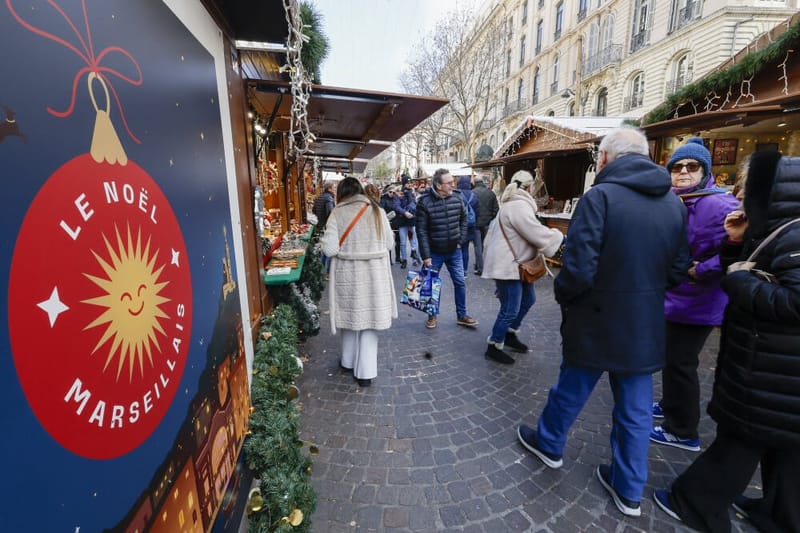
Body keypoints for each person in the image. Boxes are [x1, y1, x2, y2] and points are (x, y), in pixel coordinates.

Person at [516, 126, 689, 517]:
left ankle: (549, 443)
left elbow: (578, 269)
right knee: (635, 409)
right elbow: (679, 269)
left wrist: (566, 297)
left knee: (572, 387)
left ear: (606, 158)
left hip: (596, 316)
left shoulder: (600, 197)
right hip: (643, 322)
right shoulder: (673, 203)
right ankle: (629, 487)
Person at [653, 151, 800, 533]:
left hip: (774, 365)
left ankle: (697, 503)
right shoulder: (779, 227)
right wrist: (736, 244)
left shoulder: (794, 233)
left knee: (743, 437)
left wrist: (737, 276)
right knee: (783, 444)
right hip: (775, 362)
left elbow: (793, 299)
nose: (740, 195)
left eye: (748, 188)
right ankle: (780, 514)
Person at [651, 138, 740, 452]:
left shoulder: (721, 204)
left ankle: (682, 429)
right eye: (677, 167)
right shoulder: (676, 200)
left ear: (705, 171)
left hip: (699, 301)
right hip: (676, 297)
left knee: (681, 363)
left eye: (692, 166)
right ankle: (669, 404)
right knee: (671, 359)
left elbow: (739, 246)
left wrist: (701, 270)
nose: (683, 172)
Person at [319, 177, 397, 387]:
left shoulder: (337, 213)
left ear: (341, 193)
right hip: (375, 275)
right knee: (370, 323)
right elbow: (390, 243)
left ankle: (347, 360)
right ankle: (365, 372)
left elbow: (330, 250)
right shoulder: (378, 211)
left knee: (351, 318)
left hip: (348, 274)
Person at [481, 170, 564, 364]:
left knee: (528, 299)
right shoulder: (518, 205)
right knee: (511, 307)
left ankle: (510, 333)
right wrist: (560, 239)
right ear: (529, 187)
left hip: (516, 263)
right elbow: (535, 232)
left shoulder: (514, 204)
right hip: (508, 265)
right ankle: (494, 344)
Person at [416, 168, 479, 330]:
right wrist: (426, 256)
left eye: (453, 182)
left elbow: (464, 219)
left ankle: (462, 315)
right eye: (449, 182)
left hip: (454, 251)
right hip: (434, 253)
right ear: (439, 185)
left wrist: (461, 241)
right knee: (431, 284)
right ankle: (432, 316)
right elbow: (421, 231)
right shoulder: (424, 202)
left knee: (460, 282)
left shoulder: (457, 197)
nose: (453, 185)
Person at [472, 173, 500, 276]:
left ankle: (480, 267)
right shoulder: (490, 193)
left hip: (475, 223)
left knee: (477, 245)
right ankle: (479, 264)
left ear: (475, 183)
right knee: (482, 244)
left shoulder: (472, 193)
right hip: (486, 223)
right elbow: (496, 209)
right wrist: (489, 218)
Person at [393, 174, 420, 268]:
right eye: (408, 183)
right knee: (403, 242)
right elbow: (396, 206)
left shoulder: (412, 193)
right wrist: (405, 213)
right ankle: (404, 260)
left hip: (411, 220)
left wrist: (410, 195)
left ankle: (414, 258)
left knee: (413, 240)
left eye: (411, 182)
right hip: (402, 221)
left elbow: (415, 204)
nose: (410, 184)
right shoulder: (398, 193)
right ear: (404, 183)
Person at [456, 175, 481, 275]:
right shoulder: (473, 195)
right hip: (470, 226)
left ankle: (458, 269)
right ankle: (464, 270)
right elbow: (478, 212)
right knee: (465, 248)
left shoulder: (457, 195)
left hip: (458, 226)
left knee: (458, 248)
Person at [313, 180, 337, 272]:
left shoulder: (320, 197)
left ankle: (322, 268)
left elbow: (314, 210)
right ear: (329, 189)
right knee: (329, 248)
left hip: (320, 224)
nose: (335, 189)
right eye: (334, 187)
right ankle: (327, 270)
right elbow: (330, 213)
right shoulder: (329, 198)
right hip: (327, 226)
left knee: (323, 248)